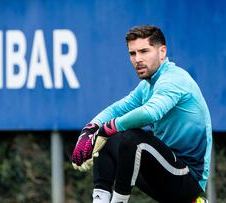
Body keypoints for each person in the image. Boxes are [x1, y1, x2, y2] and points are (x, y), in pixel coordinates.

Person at [71, 25, 212, 203]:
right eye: (133, 53)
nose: (138, 59)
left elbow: (150, 112)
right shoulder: (147, 85)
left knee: (130, 137)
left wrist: (106, 129)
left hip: (188, 180)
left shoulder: (174, 79)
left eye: (144, 51)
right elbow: (119, 108)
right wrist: (90, 129)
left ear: (162, 52)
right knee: (107, 138)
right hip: (163, 174)